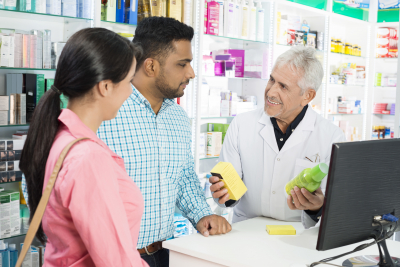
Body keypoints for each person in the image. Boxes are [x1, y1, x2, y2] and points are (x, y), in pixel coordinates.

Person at [97, 17, 231, 267]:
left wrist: (203, 215)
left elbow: (183, 177)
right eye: (183, 64)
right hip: (114, 258)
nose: (191, 73)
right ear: (150, 66)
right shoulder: (107, 111)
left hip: (165, 252)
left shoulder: (178, 117)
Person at [19, 28, 148, 267]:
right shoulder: (88, 157)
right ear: (105, 87)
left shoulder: (59, 138)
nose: (131, 92)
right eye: (130, 81)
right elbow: (116, 260)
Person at [210, 46, 346, 228]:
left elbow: (336, 208)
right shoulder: (241, 124)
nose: (271, 92)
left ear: (307, 96)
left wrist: (317, 207)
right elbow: (228, 197)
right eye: (272, 80)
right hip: (246, 232)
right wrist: (223, 193)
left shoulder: (331, 137)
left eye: (283, 86)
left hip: (299, 237)